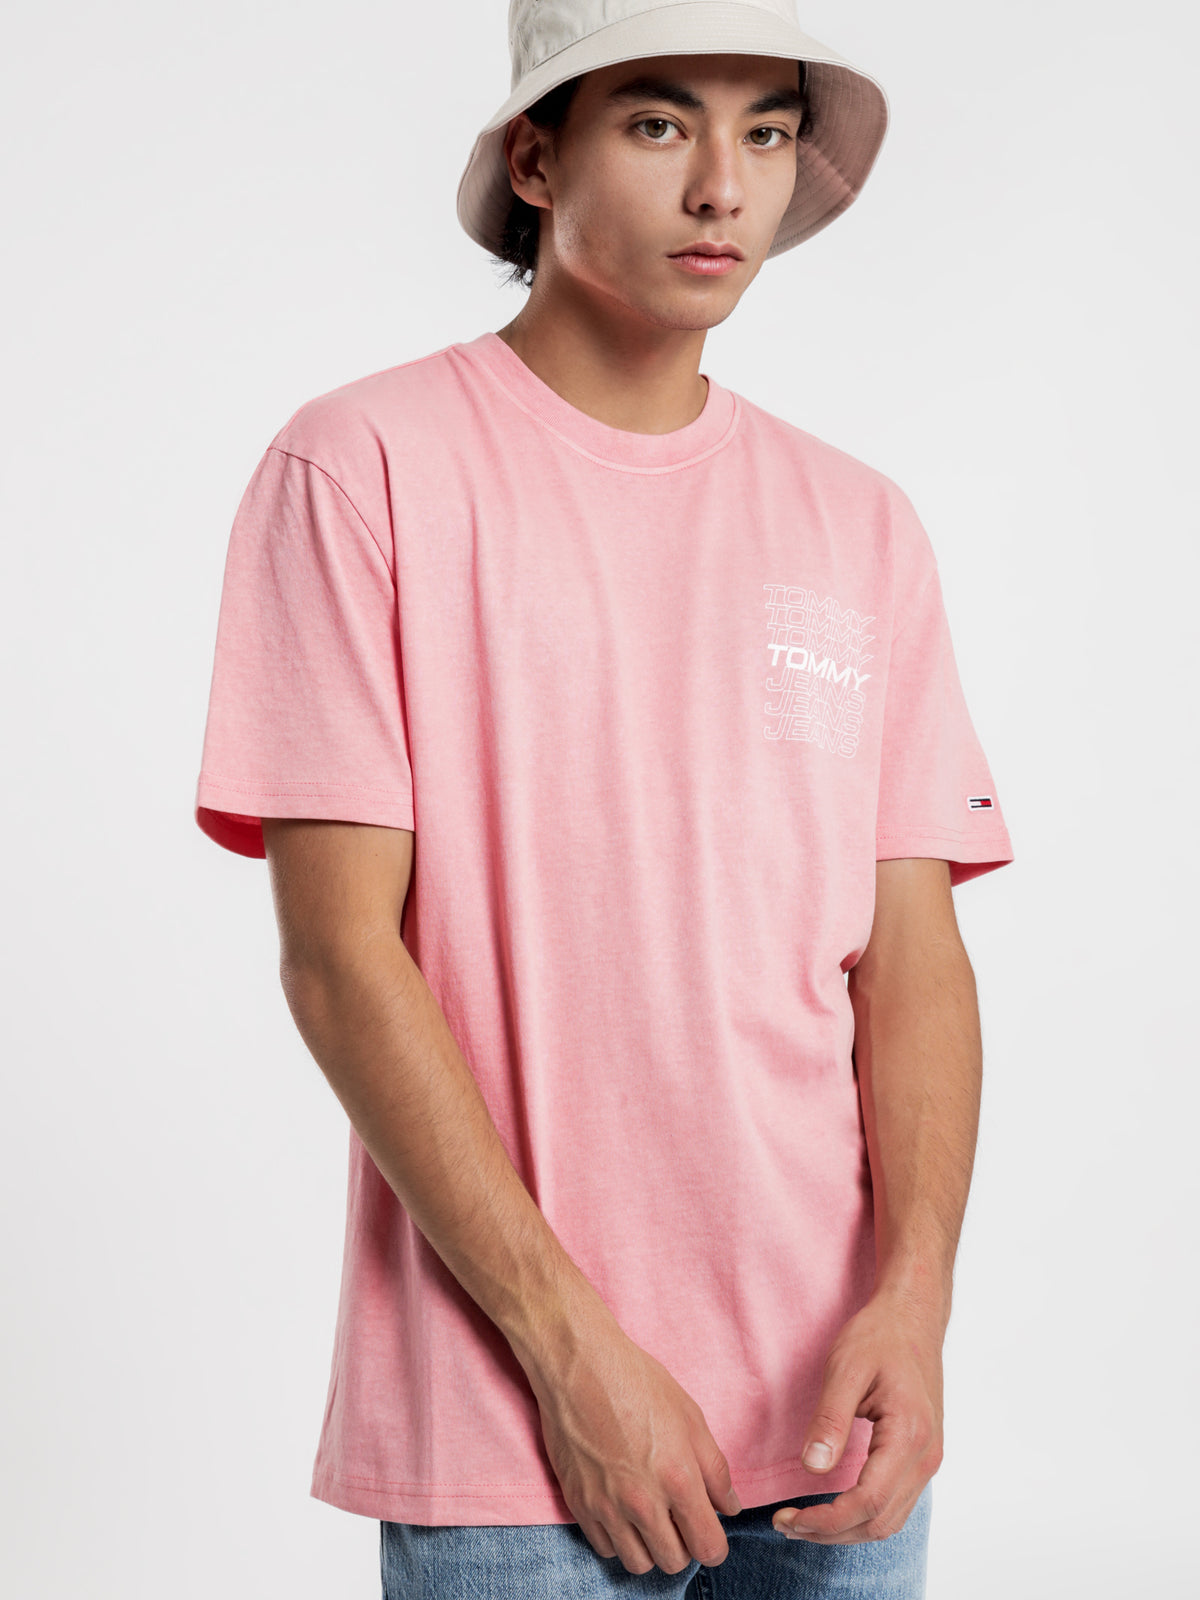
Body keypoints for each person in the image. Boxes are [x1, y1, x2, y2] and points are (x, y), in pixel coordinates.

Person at [193, 1, 1015, 1594]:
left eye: (766, 129)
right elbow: (340, 957)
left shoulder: (860, 523)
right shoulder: (361, 468)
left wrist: (916, 1304)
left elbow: (913, 956)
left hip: (839, 1418)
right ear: (535, 158)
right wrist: (572, 1354)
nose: (723, 184)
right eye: (656, 121)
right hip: (518, 1423)